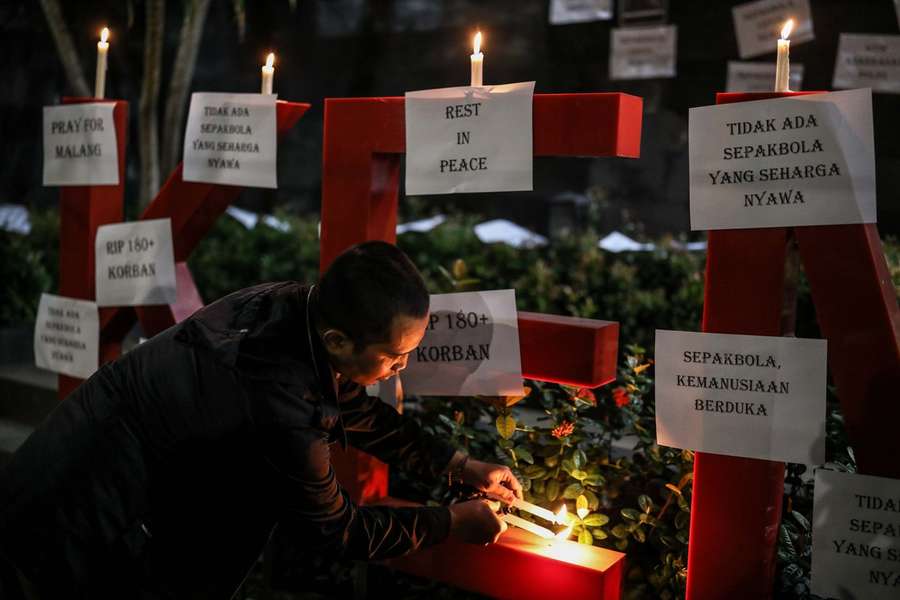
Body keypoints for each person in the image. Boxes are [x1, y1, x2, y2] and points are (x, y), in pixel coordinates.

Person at [0, 241, 521, 599]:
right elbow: (338, 530)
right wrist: (450, 523)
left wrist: (458, 464)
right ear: (340, 341)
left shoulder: (294, 308)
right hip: (83, 519)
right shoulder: (278, 400)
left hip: (85, 471)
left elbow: (348, 405)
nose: (403, 367)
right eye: (394, 355)